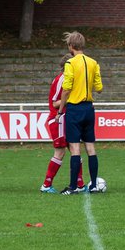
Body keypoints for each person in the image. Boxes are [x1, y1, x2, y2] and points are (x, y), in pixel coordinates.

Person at [57, 31, 103, 194]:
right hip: (89, 108)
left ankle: (73, 186)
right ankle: (94, 185)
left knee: (75, 148)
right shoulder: (93, 63)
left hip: (75, 109)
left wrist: (60, 110)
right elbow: (99, 88)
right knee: (91, 147)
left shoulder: (70, 63)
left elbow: (66, 88)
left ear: (71, 46)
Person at [42, 57, 84, 194]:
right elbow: (54, 103)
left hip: (66, 118)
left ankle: (80, 184)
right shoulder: (61, 79)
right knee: (61, 151)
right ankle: (46, 185)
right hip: (58, 119)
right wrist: (72, 97)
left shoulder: (68, 79)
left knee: (75, 149)